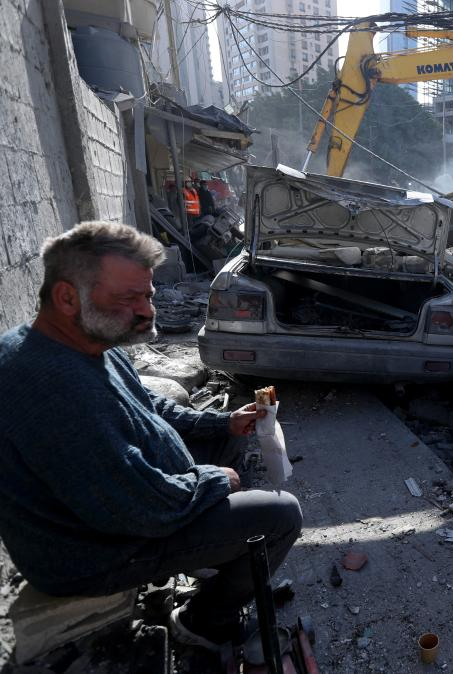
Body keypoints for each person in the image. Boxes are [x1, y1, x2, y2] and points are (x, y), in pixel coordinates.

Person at [0, 222, 302, 650]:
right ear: (67, 297)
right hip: (95, 552)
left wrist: (222, 423)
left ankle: (219, 557)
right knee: (281, 516)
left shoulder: (82, 341)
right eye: (128, 299)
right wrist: (213, 481)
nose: (147, 312)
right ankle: (203, 620)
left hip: (128, 502)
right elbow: (135, 508)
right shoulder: (51, 388)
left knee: (229, 438)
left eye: (148, 296)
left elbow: (146, 403)